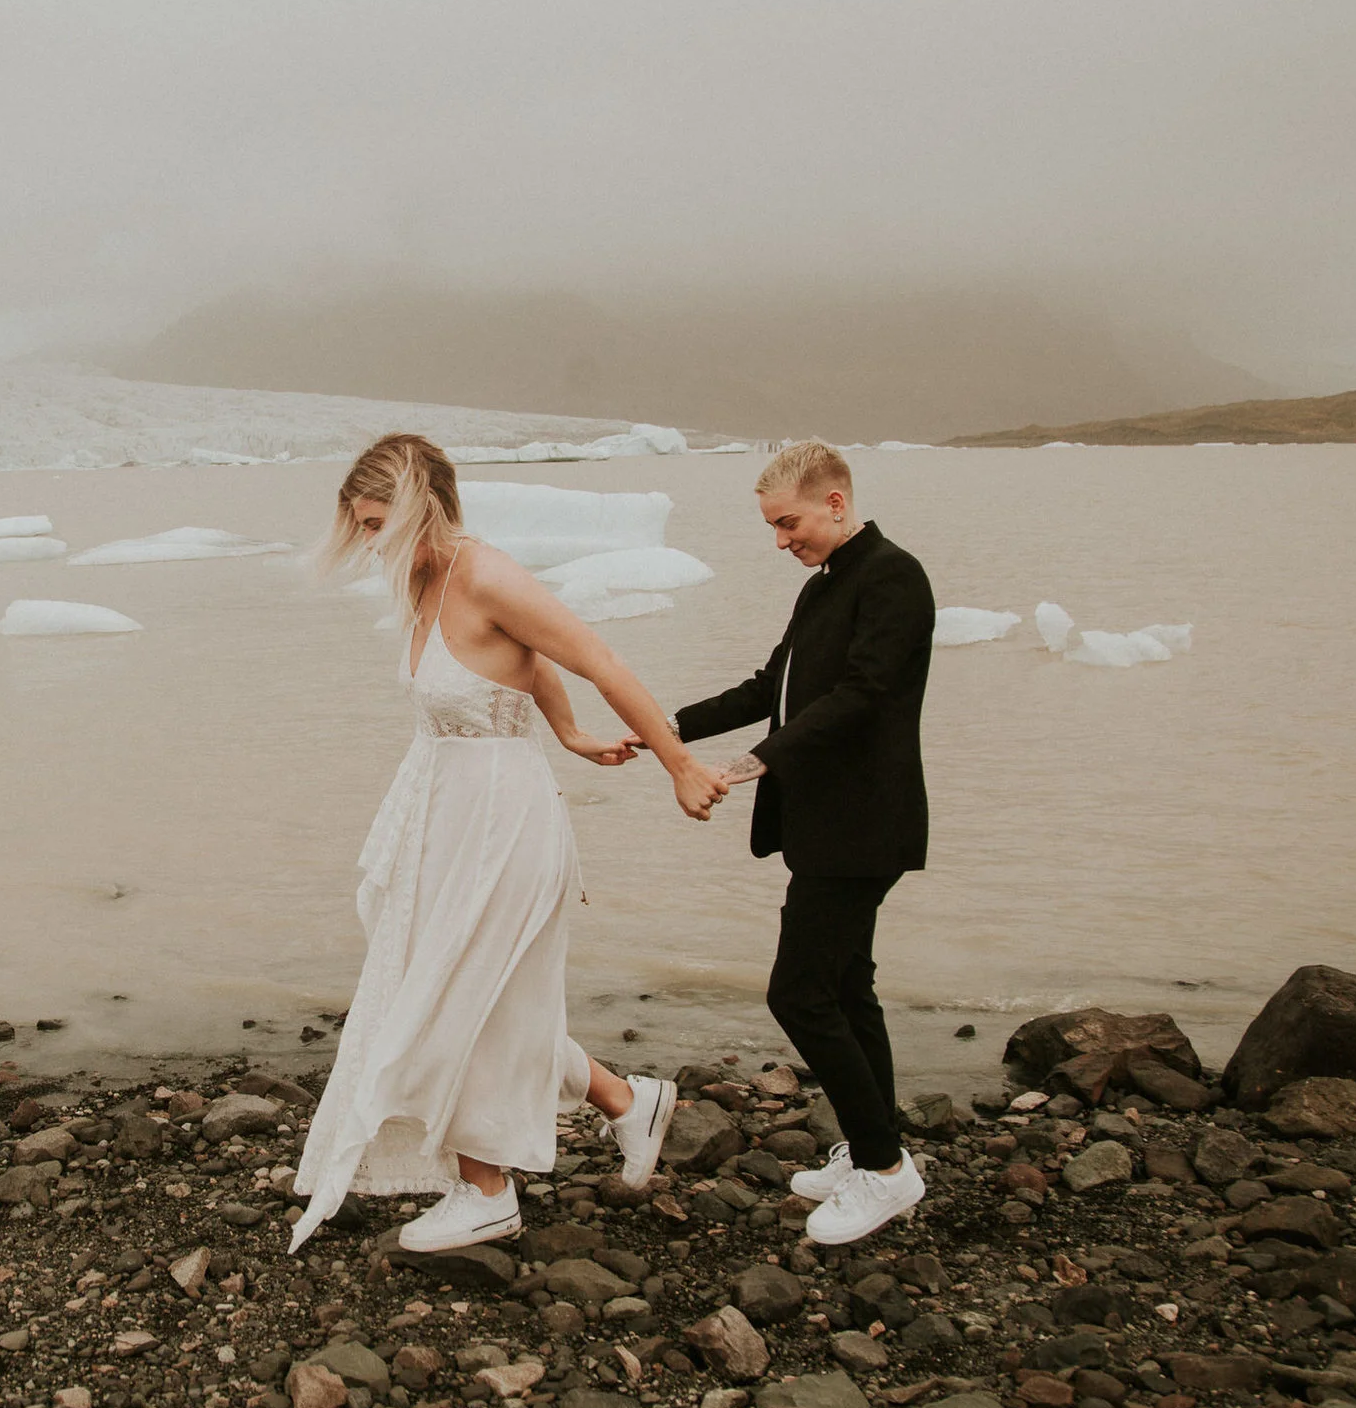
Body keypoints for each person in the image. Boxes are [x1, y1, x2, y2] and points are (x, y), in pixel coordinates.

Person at [288, 433, 726, 1255]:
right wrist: (566, 731)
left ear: (419, 500)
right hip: (442, 811)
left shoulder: (485, 572)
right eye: (362, 525)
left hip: (503, 816)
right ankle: (629, 1102)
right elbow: (518, 665)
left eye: (379, 520)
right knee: (461, 991)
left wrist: (677, 762)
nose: (371, 539)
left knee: (465, 996)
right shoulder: (421, 580)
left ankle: (487, 1192)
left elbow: (593, 656)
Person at [649, 439, 935, 1245]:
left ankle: (884, 1172)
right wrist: (661, 728)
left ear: (836, 503)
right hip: (826, 824)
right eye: (773, 527)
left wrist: (750, 765)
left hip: (863, 824)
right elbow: (764, 687)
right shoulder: (823, 589)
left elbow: (863, 694)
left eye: (789, 522)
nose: (782, 540)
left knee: (799, 992)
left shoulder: (893, 577)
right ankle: (876, 1152)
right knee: (847, 988)